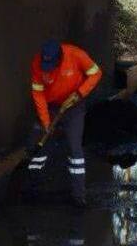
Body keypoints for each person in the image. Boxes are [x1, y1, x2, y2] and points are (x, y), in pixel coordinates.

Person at [28, 40, 103, 207]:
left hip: (74, 105)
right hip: (50, 106)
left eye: (52, 66)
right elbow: (38, 94)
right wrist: (45, 121)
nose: (48, 70)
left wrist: (79, 93)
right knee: (38, 143)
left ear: (60, 58)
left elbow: (96, 74)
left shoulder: (76, 55)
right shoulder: (37, 63)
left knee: (74, 147)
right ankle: (33, 189)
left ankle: (78, 197)